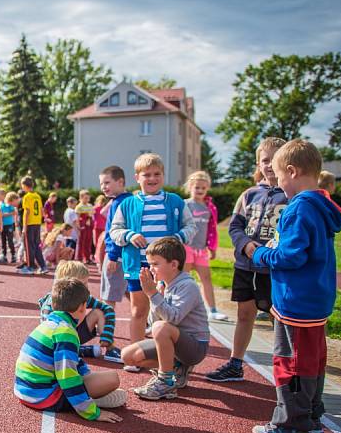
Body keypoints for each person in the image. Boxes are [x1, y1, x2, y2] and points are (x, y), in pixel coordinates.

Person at [247, 140, 341, 433]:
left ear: (291, 171)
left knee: (290, 360)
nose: (278, 183)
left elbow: (291, 256)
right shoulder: (320, 204)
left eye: (279, 176)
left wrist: (259, 254)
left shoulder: (300, 208)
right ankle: (311, 416)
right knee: (313, 360)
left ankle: (292, 422)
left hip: (296, 300)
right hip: (315, 299)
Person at [205, 137, 287, 383]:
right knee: (244, 313)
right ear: (258, 164)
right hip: (245, 266)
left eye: (275, 160)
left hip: (274, 268)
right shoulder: (249, 194)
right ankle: (235, 363)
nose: (270, 165)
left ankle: (284, 369)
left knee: (278, 318)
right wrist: (246, 245)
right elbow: (236, 226)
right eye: (265, 160)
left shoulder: (292, 195)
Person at [109, 153, 195, 348]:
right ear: (137, 177)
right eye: (146, 175)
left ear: (163, 176)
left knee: (165, 313)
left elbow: (190, 226)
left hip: (168, 268)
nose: (152, 179)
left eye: (157, 174)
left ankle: (164, 356)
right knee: (139, 310)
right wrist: (130, 235)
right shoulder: (127, 203)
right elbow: (114, 231)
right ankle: (137, 353)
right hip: (139, 266)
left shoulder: (175, 201)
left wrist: (178, 238)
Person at [15, 277, 125, 422]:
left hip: (25, 391)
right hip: (45, 397)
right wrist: (93, 413)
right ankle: (85, 402)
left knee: (100, 382)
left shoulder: (50, 324)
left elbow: (73, 361)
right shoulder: (66, 332)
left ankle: (87, 397)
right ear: (82, 307)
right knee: (113, 379)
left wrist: (87, 376)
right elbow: (67, 377)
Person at [121, 238, 210, 400]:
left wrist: (152, 294)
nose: (150, 269)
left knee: (161, 328)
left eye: (155, 264)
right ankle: (177, 368)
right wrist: (155, 294)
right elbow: (154, 322)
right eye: (150, 264)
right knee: (128, 356)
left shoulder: (187, 285)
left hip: (195, 347)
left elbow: (172, 319)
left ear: (174, 265)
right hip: (174, 342)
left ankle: (165, 381)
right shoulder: (164, 284)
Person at [39, 260, 123, 363]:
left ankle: (109, 349)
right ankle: (76, 350)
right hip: (55, 340)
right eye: (83, 284)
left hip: (73, 334)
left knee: (98, 312)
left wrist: (107, 336)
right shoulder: (52, 302)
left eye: (87, 283)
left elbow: (107, 308)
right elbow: (46, 331)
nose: (87, 287)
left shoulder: (84, 297)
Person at [182, 171, 227, 321]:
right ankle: (182, 308)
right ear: (190, 187)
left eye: (203, 188)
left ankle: (212, 310)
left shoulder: (209, 208)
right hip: (186, 248)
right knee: (184, 279)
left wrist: (212, 248)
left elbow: (212, 228)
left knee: (206, 278)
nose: (200, 191)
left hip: (201, 250)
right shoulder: (185, 204)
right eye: (197, 188)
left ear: (207, 188)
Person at [99, 166, 132, 319]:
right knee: (129, 290)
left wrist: (113, 255)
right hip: (126, 255)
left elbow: (117, 232)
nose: (103, 187)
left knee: (109, 297)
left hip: (116, 255)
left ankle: (107, 331)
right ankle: (148, 320)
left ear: (120, 182)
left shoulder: (119, 203)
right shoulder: (126, 200)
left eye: (107, 183)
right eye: (101, 184)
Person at [19, 175, 47, 275]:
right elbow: (41, 210)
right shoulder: (37, 196)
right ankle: (43, 266)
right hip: (37, 223)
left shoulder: (26, 197)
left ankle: (30, 267)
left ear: (25, 186)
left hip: (30, 224)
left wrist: (24, 227)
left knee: (29, 246)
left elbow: (27, 212)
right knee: (36, 245)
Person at [0, 191, 20, 264]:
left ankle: (13, 255)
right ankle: (4, 255)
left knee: (10, 240)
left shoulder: (11, 206)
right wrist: (5, 214)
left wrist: (5, 214)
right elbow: (0, 214)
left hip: (9, 225)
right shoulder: (1, 205)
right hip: (2, 225)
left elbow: (15, 213)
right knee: (3, 241)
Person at [75, 190, 95, 264]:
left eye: (88, 198)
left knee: (88, 242)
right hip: (82, 226)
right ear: (81, 198)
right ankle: (79, 258)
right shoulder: (79, 207)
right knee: (81, 242)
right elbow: (77, 218)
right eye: (85, 198)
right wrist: (78, 227)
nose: (87, 199)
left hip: (89, 226)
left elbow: (92, 215)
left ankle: (87, 258)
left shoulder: (90, 206)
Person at [92, 194, 108, 262]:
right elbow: (92, 217)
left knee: (102, 243)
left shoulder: (104, 209)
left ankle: (100, 257)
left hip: (103, 228)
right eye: (100, 201)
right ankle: (97, 256)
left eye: (103, 202)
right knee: (96, 243)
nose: (101, 203)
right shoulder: (95, 209)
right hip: (96, 227)